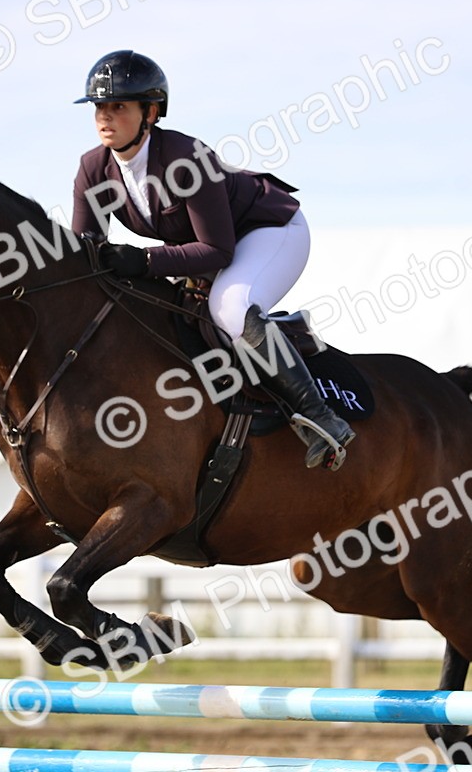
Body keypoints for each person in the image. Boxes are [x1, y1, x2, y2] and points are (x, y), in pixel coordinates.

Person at [71, 50, 356, 470]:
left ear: (150, 112)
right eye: (99, 106)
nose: (104, 117)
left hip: (269, 232)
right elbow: (86, 255)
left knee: (230, 306)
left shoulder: (186, 158)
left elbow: (218, 250)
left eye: (118, 106)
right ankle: (281, 334)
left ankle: (322, 418)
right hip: (209, 249)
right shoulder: (93, 170)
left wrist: (145, 261)